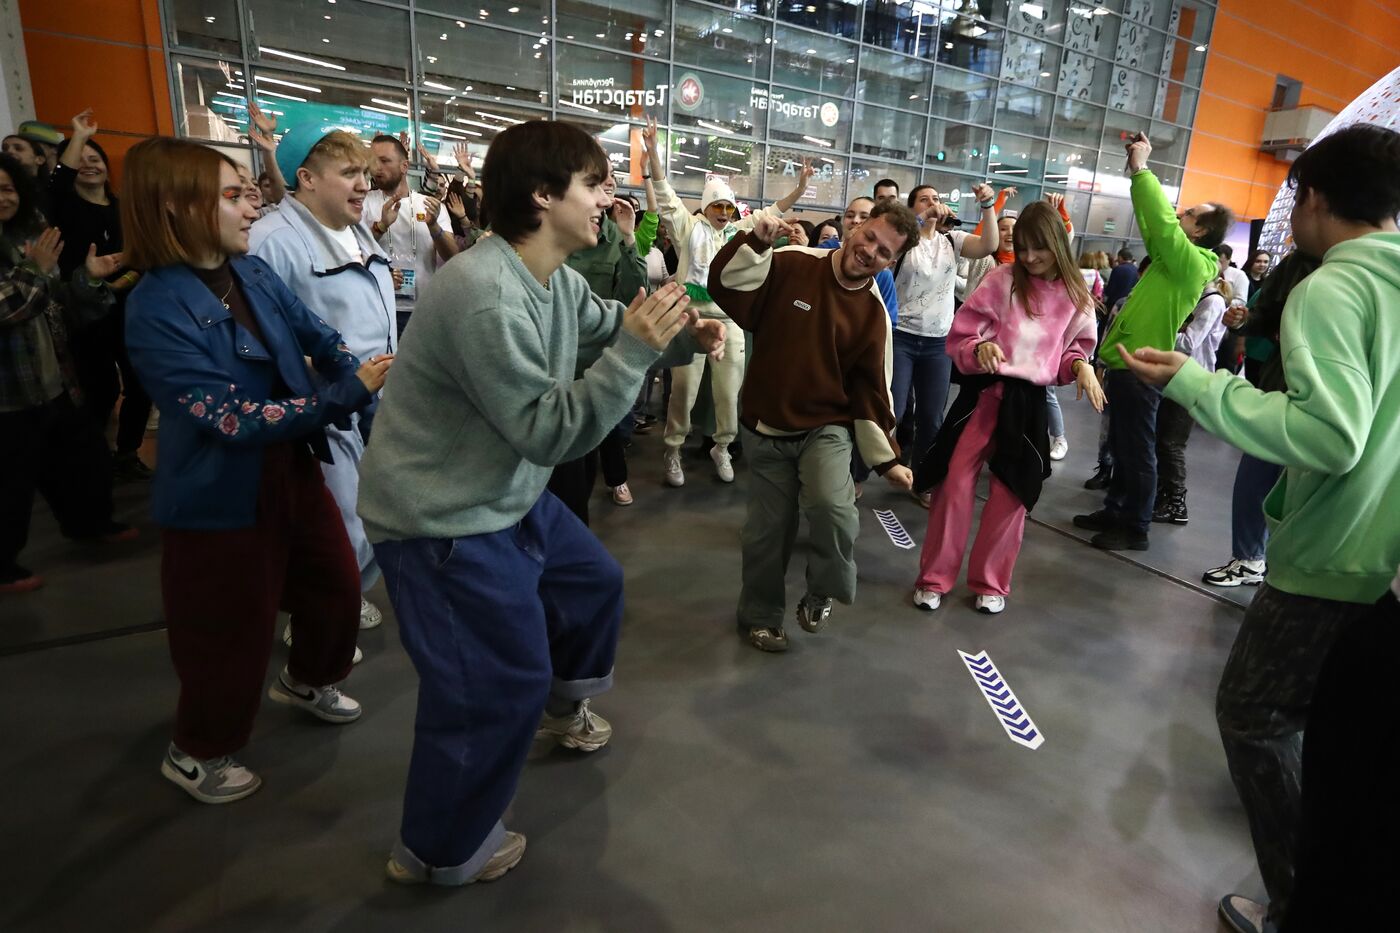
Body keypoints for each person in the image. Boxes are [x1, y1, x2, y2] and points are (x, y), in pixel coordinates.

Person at [355, 119, 724, 886]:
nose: (607, 197)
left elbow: (608, 329)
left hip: (500, 497)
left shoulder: (550, 279)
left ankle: (562, 706)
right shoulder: (484, 294)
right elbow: (546, 430)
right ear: (542, 195)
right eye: (593, 183)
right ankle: (439, 851)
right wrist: (635, 351)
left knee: (591, 584)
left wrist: (687, 337)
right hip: (442, 521)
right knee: (488, 690)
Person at [1117, 124, 1400, 933]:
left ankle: (1301, 903)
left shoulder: (1334, 287)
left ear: (1313, 197)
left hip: (1332, 559)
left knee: (1254, 713)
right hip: (1386, 568)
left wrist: (1202, 388)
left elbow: (1331, 432)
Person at [122, 137, 390, 803]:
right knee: (226, 633)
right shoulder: (155, 308)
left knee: (336, 587)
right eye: (234, 194)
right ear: (179, 207)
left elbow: (313, 333)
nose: (253, 207)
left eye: (248, 191)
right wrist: (345, 393)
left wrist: (348, 372)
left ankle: (306, 678)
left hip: (291, 467)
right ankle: (198, 749)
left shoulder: (250, 272)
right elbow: (234, 417)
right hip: (216, 494)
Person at [707, 200, 917, 651]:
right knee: (767, 532)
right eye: (869, 237)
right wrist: (757, 243)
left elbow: (872, 392)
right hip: (766, 423)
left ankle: (822, 589)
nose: (869, 251)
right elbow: (727, 286)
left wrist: (887, 461)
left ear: (891, 263)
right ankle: (760, 617)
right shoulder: (792, 263)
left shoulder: (873, 314)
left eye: (883, 253)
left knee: (835, 509)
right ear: (856, 226)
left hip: (827, 426)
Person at [912, 202, 1103, 615]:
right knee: (954, 484)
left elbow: (1074, 349)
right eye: (1024, 247)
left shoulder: (1076, 296)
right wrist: (979, 347)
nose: (1030, 257)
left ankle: (991, 583)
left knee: (1011, 495)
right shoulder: (1002, 280)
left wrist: (1081, 366)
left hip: (1028, 404)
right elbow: (963, 331)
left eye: (1040, 248)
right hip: (983, 395)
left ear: (1057, 244)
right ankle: (934, 578)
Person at [249, 122, 399, 639]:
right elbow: (255, 337)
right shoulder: (272, 243)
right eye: (349, 173)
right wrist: (317, 374)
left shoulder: (358, 234)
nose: (365, 184)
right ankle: (309, 624)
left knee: (364, 517)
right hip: (319, 412)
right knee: (332, 525)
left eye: (365, 172)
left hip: (369, 404)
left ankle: (340, 598)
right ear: (306, 178)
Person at [1073, 132, 1233, 551]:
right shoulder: (1171, 261)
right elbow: (1153, 223)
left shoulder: (1191, 263)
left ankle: (1135, 526)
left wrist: (1143, 169)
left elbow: (1160, 224)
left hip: (1142, 367)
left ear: (1200, 232)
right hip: (1130, 362)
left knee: (1138, 448)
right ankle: (1117, 509)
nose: (1181, 213)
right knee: (1124, 445)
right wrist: (1135, 172)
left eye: (1191, 213)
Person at [642, 115, 810, 487]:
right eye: (716, 206)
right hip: (690, 320)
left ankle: (723, 446)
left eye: (728, 207)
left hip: (729, 320)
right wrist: (653, 152)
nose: (722, 213)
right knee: (682, 392)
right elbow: (666, 194)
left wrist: (798, 190)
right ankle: (673, 449)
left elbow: (771, 214)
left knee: (730, 392)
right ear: (705, 207)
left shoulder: (737, 232)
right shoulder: (689, 228)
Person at [1, 152, 132, 594]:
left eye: (8, 187)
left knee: (84, 458)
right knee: (10, 484)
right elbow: (9, 306)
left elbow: (60, 306)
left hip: (54, 381)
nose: (3, 197)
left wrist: (89, 280)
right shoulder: (33, 255)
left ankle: (89, 524)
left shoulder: (28, 241)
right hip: (9, 395)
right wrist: (35, 270)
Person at [1201, 252, 1318, 588]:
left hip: (1337, 403)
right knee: (1258, 472)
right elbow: (1264, 315)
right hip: (1281, 388)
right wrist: (1243, 320)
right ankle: (1252, 558)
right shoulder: (1300, 261)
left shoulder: (1373, 270)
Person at [49, 109, 154, 482]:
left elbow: (143, 255)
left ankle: (127, 452)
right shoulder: (64, 207)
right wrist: (78, 135)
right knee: (101, 389)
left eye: (97, 159)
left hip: (128, 308)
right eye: (83, 159)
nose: (90, 165)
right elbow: (59, 182)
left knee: (141, 384)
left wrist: (117, 284)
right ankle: (92, 457)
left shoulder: (123, 208)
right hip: (83, 311)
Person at [891, 183, 1001, 503]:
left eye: (937, 198)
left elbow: (989, 244)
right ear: (912, 208)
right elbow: (892, 243)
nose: (934, 204)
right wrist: (921, 218)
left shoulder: (951, 241)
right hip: (901, 336)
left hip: (939, 342)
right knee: (894, 410)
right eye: (924, 200)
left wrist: (987, 205)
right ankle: (862, 471)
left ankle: (923, 478)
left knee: (932, 416)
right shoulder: (904, 239)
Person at [552, 175, 647, 518]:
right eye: (595, 186)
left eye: (608, 187)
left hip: (593, 365)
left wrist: (628, 236)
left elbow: (633, 298)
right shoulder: (556, 239)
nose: (604, 198)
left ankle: (615, 480)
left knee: (589, 459)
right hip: (556, 374)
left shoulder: (610, 237)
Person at [1151, 276, 1230, 525]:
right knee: (1163, 440)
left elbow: (1188, 342)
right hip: (1177, 376)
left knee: (1171, 442)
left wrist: (1158, 330)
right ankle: (1164, 497)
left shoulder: (1212, 302)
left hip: (1192, 378)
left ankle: (1176, 504)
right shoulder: (1197, 299)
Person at [363, 133, 457, 336]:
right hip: (378, 307)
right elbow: (355, 251)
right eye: (372, 161)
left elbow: (453, 256)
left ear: (404, 166)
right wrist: (380, 226)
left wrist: (434, 227)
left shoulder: (430, 205)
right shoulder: (362, 202)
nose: (377, 168)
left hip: (422, 309)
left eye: (385, 161)